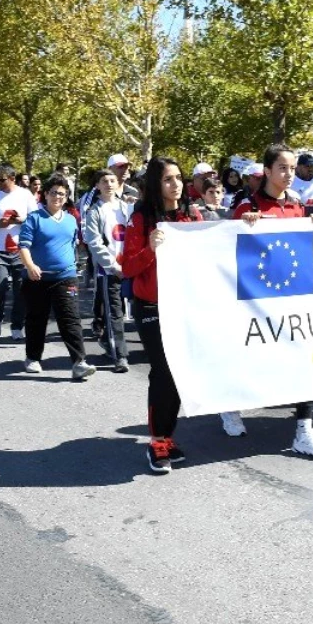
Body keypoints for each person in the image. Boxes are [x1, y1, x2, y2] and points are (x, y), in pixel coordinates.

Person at [231, 144, 313, 457]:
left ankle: (303, 429)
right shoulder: (247, 206)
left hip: (291, 299)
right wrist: (242, 225)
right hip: (255, 303)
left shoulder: (297, 205)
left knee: (304, 357)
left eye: (291, 168)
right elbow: (227, 250)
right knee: (251, 360)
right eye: (282, 168)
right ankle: (229, 402)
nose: (289, 175)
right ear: (268, 171)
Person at [122, 157, 203, 474]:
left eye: (179, 178)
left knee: (178, 373)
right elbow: (127, 267)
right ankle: (157, 441)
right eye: (168, 179)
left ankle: (167, 438)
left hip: (183, 305)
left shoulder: (190, 214)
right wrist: (149, 249)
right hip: (151, 307)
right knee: (163, 371)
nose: (176, 184)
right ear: (156, 184)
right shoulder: (141, 217)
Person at [18, 175, 96, 380]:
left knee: (70, 319)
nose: (57, 197)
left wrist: (77, 263)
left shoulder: (71, 220)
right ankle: (33, 358)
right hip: (38, 278)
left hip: (66, 277)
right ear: (45, 195)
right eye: (53, 193)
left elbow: (74, 245)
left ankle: (79, 362)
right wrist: (30, 265)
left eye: (62, 194)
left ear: (66, 197)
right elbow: (23, 246)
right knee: (37, 319)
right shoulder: (34, 218)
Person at [82, 169, 131, 373]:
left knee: (130, 311)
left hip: (130, 268)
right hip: (109, 271)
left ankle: (105, 338)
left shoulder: (127, 207)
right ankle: (120, 356)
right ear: (98, 186)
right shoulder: (95, 211)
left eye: (112, 180)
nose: (109, 184)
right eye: (104, 181)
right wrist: (112, 266)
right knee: (114, 313)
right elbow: (94, 242)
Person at [0, 163, 36, 340]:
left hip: (21, 250)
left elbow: (35, 220)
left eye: (1, 179)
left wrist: (21, 220)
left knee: (21, 290)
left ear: (12, 178)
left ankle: (17, 326)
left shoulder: (25, 194)